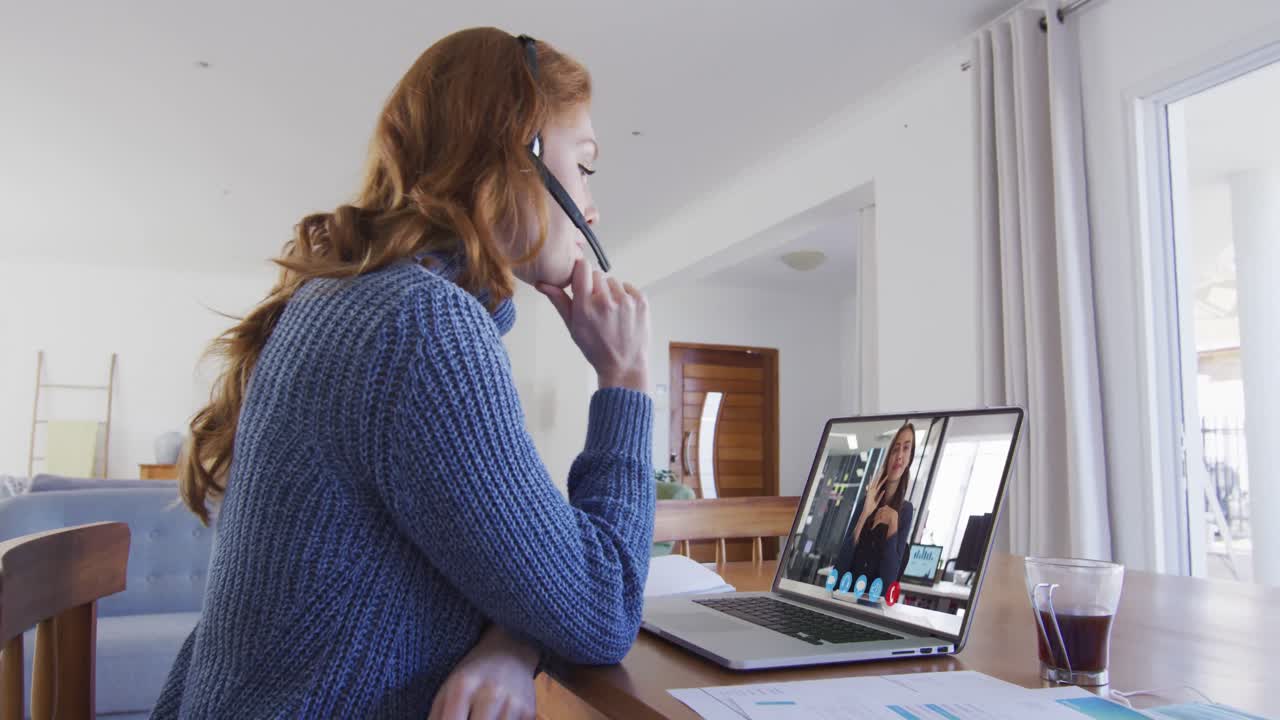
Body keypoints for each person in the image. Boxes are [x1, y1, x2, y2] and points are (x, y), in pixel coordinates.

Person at [152, 27, 654, 720]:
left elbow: (518, 562)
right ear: (520, 153)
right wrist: (624, 381)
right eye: (586, 165)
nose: (592, 206)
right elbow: (603, 608)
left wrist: (512, 640)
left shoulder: (360, 302)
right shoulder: (423, 329)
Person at [834, 424, 916, 589]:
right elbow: (839, 568)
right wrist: (865, 514)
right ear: (888, 456)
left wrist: (893, 523)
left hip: (871, 604)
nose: (899, 455)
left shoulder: (905, 511)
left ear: (910, 458)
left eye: (906, 448)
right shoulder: (866, 500)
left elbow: (888, 583)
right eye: (895, 449)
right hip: (846, 596)